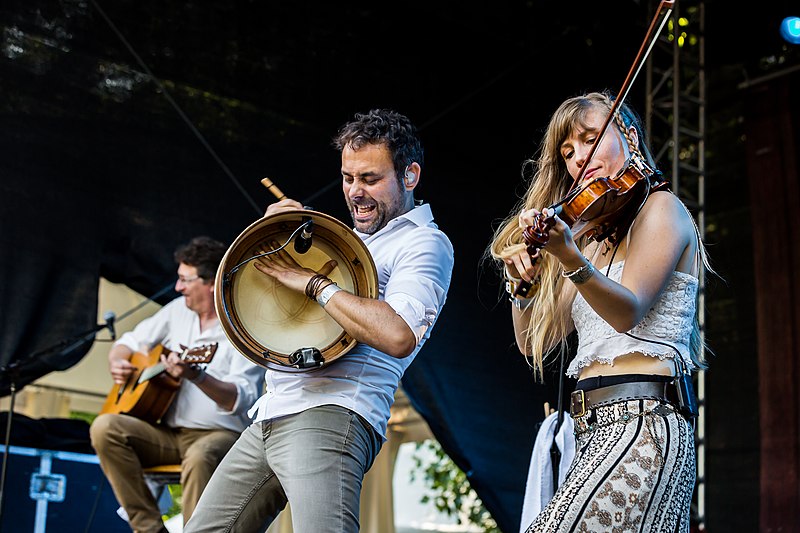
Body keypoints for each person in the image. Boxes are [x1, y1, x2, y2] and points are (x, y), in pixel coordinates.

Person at [183, 109, 454, 533]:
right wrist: (290, 232)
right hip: (271, 415)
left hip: (334, 413)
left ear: (410, 175)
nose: (355, 192)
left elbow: (399, 335)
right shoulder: (350, 242)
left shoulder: (426, 243)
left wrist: (314, 282)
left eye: (370, 178)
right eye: (348, 178)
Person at [488, 91, 711, 532]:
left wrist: (571, 261)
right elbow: (534, 342)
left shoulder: (661, 209)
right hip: (592, 430)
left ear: (628, 133)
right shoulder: (589, 237)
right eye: (567, 153)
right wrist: (523, 288)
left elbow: (628, 311)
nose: (576, 160)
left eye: (589, 140)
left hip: (645, 422)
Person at [90, 236, 266, 533]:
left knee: (201, 456)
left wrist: (197, 375)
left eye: (185, 280)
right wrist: (118, 360)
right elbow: (130, 341)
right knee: (105, 428)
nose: (178, 287)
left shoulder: (242, 326)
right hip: (169, 435)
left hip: (221, 436)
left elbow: (241, 399)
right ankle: (148, 528)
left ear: (211, 283)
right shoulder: (176, 310)